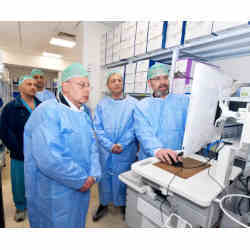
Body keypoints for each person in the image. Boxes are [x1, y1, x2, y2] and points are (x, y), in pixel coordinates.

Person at [24, 63, 101, 228]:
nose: (87, 90)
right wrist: (81, 179)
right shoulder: (47, 112)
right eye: (82, 85)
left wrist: (93, 174)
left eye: (89, 86)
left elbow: (93, 146)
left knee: (77, 221)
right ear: (65, 86)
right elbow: (51, 159)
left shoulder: (83, 113)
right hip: (56, 192)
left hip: (83, 186)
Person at [92, 70, 138, 221]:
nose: (117, 83)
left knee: (123, 178)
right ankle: (103, 203)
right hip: (106, 151)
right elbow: (97, 128)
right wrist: (110, 145)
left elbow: (135, 126)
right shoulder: (102, 105)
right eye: (113, 81)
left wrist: (122, 144)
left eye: (119, 80)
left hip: (126, 150)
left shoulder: (133, 104)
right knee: (104, 178)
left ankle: (123, 204)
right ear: (108, 85)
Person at [0, 75, 40, 222]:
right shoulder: (11, 108)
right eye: (29, 84)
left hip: (40, 154)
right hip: (19, 154)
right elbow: (4, 131)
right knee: (19, 182)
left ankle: (35, 203)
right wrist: (16, 148)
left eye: (35, 84)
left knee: (38, 181)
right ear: (20, 87)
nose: (33, 87)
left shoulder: (41, 106)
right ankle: (21, 206)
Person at [134, 63, 189, 164]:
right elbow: (143, 133)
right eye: (157, 79)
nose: (162, 82)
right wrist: (157, 150)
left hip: (177, 158)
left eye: (165, 78)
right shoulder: (142, 106)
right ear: (149, 83)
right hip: (151, 159)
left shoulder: (184, 101)